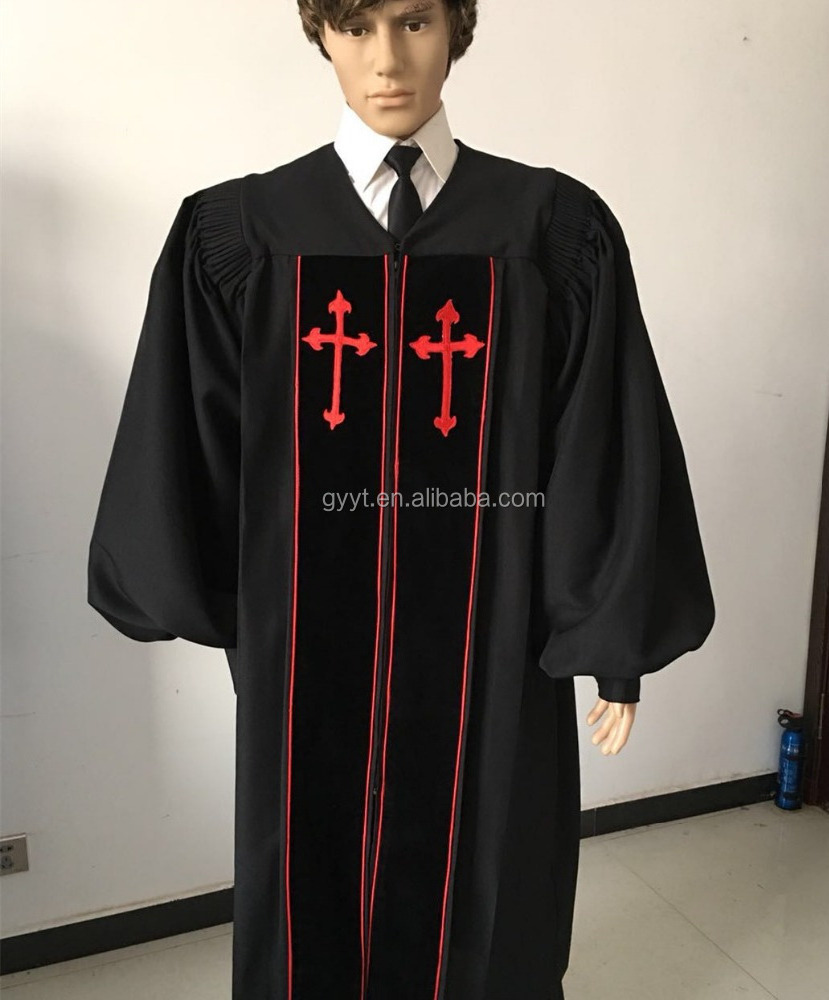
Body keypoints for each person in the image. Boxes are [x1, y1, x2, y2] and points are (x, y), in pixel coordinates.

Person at [87, 1, 715, 997]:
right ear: (321, 34)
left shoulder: (551, 230)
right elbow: (190, 442)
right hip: (306, 660)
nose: (387, 58)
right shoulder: (240, 234)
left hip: (492, 652)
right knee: (309, 894)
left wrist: (614, 643)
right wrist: (224, 603)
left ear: (457, 27)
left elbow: (599, 442)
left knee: (494, 887)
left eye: (415, 20)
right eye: (356, 24)